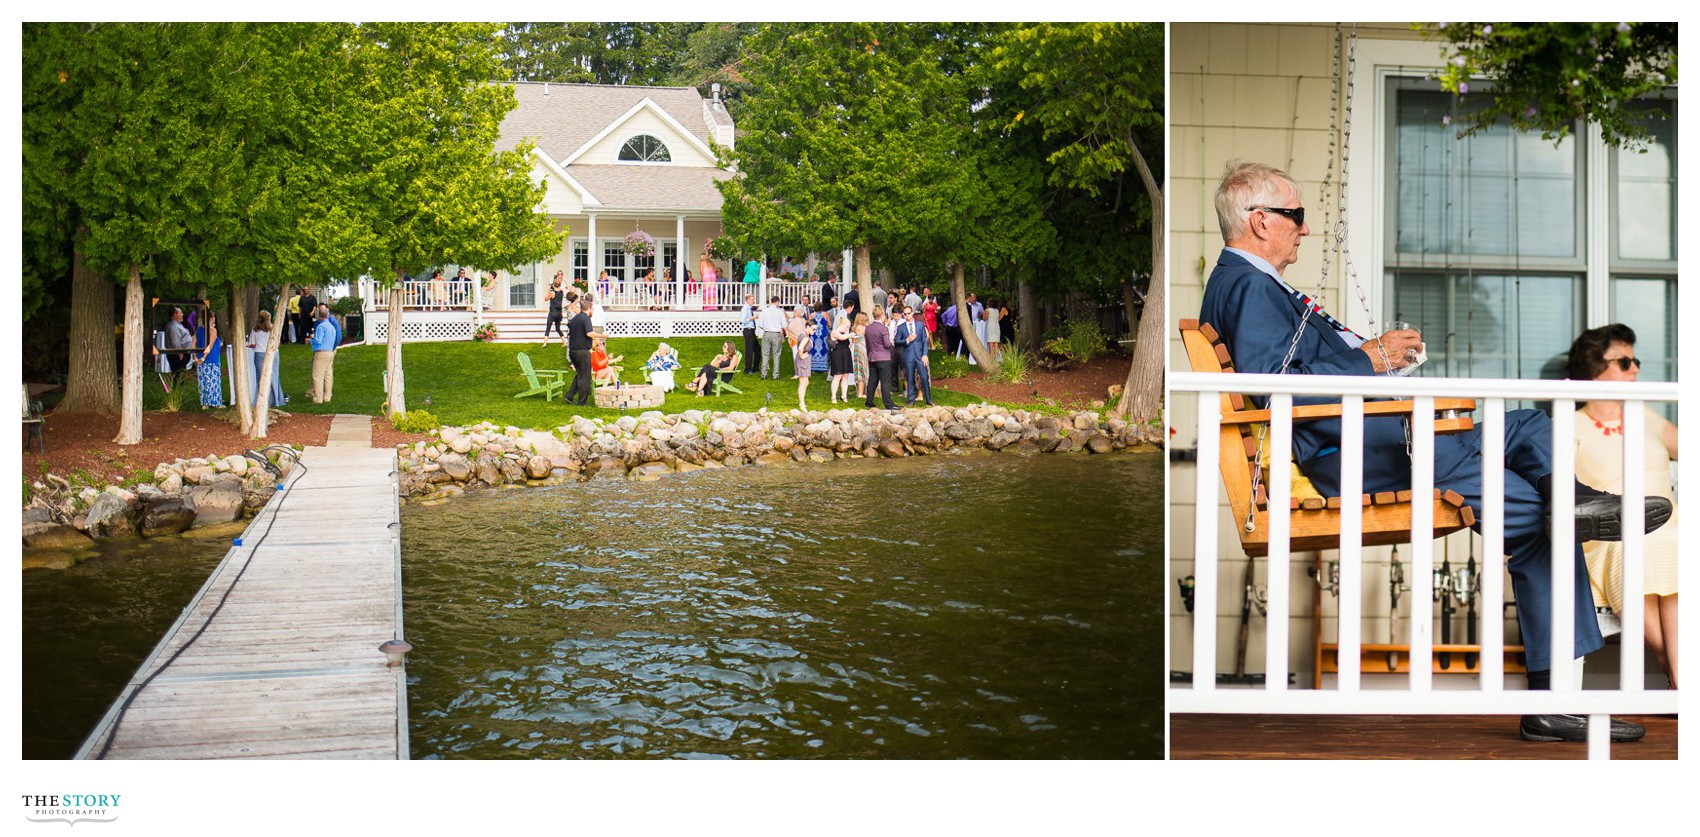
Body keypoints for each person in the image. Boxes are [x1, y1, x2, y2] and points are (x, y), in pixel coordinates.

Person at [1196, 160, 1670, 743]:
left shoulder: (1248, 283)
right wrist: (1368, 359)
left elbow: (1287, 368)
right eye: (1296, 216)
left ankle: (1577, 507)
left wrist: (1374, 360)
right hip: (1359, 453)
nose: (1305, 229)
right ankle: (1559, 673)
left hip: (1374, 438)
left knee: (1529, 462)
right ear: (1260, 221)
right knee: (1532, 475)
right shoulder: (1248, 284)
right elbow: (1274, 383)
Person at [1567, 323, 1680, 689]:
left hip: (1668, 528)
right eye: (1625, 361)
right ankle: (1683, 681)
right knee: (1643, 545)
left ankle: (1679, 682)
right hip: (1609, 535)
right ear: (1594, 369)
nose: (1636, 369)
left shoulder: (1646, 417)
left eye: (1637, 360)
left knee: (1670, 544)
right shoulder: (1570, 424)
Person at [564, 293, 606, 406]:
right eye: (592, 309)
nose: (592, 311)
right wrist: (603, 336)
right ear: (588, 308)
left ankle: (569, 396)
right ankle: (582, 401)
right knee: (585, 376)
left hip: (573, 351)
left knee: (579, 374)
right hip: (582, 352)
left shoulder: (575, 318)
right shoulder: (586, 318)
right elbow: (589, 333)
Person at [247, 310, 287, 408]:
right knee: (274, 376)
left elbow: (252, 344)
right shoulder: (273, 328)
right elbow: (278, 342)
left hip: (259, 353)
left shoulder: (255, 330)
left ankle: (263, 400)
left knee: (261, 377)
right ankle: (277, 400)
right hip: (273, 353)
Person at [898, 306, 934, 406]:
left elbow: (924, 341)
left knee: (924, 377)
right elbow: (897, 342)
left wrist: (925, 354)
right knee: (909, 378)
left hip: (920, 356)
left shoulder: (920, 325)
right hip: (908, 356)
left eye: (908, 313)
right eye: (904, 314)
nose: (906, 316)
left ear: (912, 313)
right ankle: (911, 400)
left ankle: (928, 400)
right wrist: (907, 340)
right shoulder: (901, 327)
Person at [863, 306, 897, 410]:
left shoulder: (868, 328)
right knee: (885, 382)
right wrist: (891, 341)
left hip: (872, 357)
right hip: (883, 357)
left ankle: (869, 401)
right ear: (882, 315)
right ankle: (888, 404)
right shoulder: (883, 328)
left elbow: (867, 344)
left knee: (872, 380)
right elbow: (887, 344)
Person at [308, 304, 338, 403]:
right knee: (328, 375)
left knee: (317, 375)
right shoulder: (332, 327)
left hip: (321, 353)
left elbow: (318, 340)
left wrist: (311, 339)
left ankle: (318, 398)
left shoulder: (321, 326)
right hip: (330, 352)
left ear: (319, 316)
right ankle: (327, 397)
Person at [195, 311, 225, 408]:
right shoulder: (212, 330)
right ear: (211, 319)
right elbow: (210, 345)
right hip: (211, 359)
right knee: (213, 381)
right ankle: (215, 402)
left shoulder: (199, 329)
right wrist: (204, 357)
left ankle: (204, 403)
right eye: (213, 317)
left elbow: (193, 341)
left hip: (200, 358)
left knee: (203, 381)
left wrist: (195, 355)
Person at [827, 302, 853, 403]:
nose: (847, 328)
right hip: (837, 355)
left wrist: (852, 339)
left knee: (845, 376)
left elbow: (847, 343)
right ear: (841, 324)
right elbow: (841, 337)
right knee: (837, 376)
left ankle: (844, 396)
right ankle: (833, 396)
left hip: (846, 353)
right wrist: (850, 334)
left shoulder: (845, 333)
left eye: (848, 327)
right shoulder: (835, 332)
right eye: (846, 326)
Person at [758, 295, 787, 380]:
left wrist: (766, 328)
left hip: (766, 333)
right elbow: (784, 325)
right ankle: (776, 375)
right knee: (776, 355)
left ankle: (764, 374)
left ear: (771, 301)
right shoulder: (780, 312)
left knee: (765, 354)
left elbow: (760, 324)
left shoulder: (764, 311)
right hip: (776, 334)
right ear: (777, 302)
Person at [793, 308, 815, 411]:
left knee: (806, 382)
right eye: (813, 329)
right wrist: (802, 356)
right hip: (803, 361)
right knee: (803, 383)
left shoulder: (803, 334)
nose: (814, 331)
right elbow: (800, 348)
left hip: (803, 360)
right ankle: (802, 404)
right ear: (807, 327)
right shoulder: (806, 337)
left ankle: (802, 403)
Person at [164, 306, 195, 376]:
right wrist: (180, 352)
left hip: (181, 354)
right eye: (180, 313)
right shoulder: (173, 326)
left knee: (180, 374)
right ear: (175, 314)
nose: (182, 315)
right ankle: (177, 387)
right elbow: (175, 341)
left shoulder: (178, 325)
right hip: (177, 355)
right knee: (179, 374)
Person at [850, 312, 871, 400]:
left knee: (858, 370)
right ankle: (861, 393)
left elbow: (854, 340)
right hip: (863, 349)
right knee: (863, 371)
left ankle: (859, 391)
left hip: (857, 350)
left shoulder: (855, 327)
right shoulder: (863, 328)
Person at [785, 305, 809, 379]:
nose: (794, 312)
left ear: (798, 312)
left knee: (796, 357)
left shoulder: (796, 320)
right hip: (803, 340)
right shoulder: (803, 320)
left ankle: (797, 373)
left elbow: (789, 328)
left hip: (796, 341)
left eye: (795, 311)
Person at [544, 272, 567, 348]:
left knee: (548, 328)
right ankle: (564, 341)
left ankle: (545, 343)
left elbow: (546, 299)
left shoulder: (552, 293)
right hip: (559, 313)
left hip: (552, 313)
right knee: (558, 328)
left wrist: (548, 290)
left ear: (553, 285)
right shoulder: (561, 292)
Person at [739, 293, 761, 374]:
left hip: (751, 331)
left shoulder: (749, 308)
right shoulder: (745, 309)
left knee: (757, 349)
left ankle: (755, 367)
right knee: (749, 350)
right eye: (752, 300)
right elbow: (743, 320)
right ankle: (747, 369)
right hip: (748, 330)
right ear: (747, 300)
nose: (753, 301)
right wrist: (753, 318)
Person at [985, 299, 1003, 364]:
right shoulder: (997, 311)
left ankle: (991, 360)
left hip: (990, 327)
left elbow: (985, 318)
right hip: (997, 327)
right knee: (996, 344)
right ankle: (996, 360)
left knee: (991, 344)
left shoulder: (987, 310)